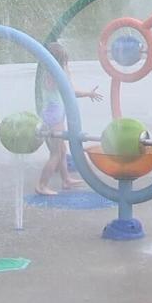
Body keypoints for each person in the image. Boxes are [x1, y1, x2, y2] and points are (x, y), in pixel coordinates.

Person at [36, 42, 102, 196]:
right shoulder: (52, 76)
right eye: (65, 61)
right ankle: (41, 185)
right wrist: (87, 93)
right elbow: (70, 91)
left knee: (62, 150)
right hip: (53, 116)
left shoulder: (49, 73)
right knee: (56, 153)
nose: (67, 64)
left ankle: (66, 179)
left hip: (53, 114)